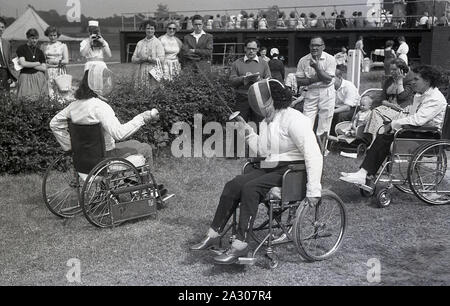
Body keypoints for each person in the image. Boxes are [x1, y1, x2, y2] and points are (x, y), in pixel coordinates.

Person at [189, 79, 323, 265]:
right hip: (272, 166)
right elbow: (262, 150)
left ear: (272, 100)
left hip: (293, 170)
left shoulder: (295, 119)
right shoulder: (268, 120)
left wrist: (313, 190)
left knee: (251, 188)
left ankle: (240, 244)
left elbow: (313, 154)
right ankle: (214, 233)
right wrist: (247, 131)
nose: (259, 108)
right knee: (234, 184)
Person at [340, 65, 447, 185]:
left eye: (416, 79)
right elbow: (412, 117)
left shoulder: (436, 99)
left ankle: (364, 173)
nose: (413, 82)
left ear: (427, 81)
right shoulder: (421, 95)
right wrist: (394, 124)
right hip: (418, 132)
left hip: (427, 137)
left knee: (385, 137)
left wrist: (393, 124)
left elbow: (418, 120)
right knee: (383, 135)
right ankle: (365, 173)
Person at [50, 64, 158, 165]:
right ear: (97, 84)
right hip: (105, 157)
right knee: (145, 148)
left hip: (84, 156)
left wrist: (70, 147)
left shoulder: (73, 106)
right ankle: (147, 184)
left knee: (134, 142)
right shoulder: (100, 107)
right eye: (104, 81)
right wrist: (143, 117)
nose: (107, 84)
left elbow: (54, 124)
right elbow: (119, 134)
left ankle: (126, 183)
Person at [296, 36, 336, 140]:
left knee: (324, 122)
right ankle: (307, 149)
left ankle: (321, 150)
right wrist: (317, 78)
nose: (314, 48)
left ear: (323, 47)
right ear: (309, 46)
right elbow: (299, 81)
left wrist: (317, 68)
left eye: (317, 45)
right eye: (312, 45)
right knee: (306, 122)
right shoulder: (303, 60)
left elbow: (328, 80)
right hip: (311, 91)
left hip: (326, 91)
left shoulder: (330, 59)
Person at [364, 58, 414, 139]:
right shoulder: (389, 80)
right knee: (374, 113)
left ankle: (375, 140)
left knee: (375, 113)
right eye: (391, 70)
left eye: (394, 69)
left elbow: (402, 96)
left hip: (402, 110)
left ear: (402, 69)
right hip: (389, 108)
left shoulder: (409, 81)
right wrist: (391, 105)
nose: (391, 72)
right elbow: (382, 99)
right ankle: (375, 139)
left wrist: (400, 80)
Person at [229, 39, 271, 123]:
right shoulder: (237, 63)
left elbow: (269, 81)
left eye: (254, 49)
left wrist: (259, 80)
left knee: (260, 126)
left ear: (258, 49)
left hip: (258, 99)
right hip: (242, 98)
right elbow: (231, 81)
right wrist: (243, 79)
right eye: (249, 48)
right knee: (239, 126)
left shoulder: (264, 63)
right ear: (245, 49)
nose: (251, 51)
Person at [132, 20, 165, 91]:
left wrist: (149, 59)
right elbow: (133, 59)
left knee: (155, 91)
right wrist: (140, 59)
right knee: (143, 91)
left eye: (152, 28)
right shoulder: (140, 43)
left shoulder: (158, 43)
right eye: (148, 28)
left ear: (154, 30)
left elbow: (161, 59)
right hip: (142, 71)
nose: (150, 30)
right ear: (145, 29)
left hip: (154, 70)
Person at [16, 28, 48, 100]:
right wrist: (37, 63)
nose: (34, 40)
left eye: (36, 38)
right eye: (32, 38)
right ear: (28, 38)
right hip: (25, 77)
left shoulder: (39, 51)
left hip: (39, 77)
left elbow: (43, 68)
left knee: (39, 99)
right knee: (25, 99)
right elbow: (23, 63)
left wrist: (29, 64)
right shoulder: (22, 48)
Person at [330, 69, 360, 135]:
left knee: (341, 116)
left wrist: (332, 111)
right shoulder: (329, 87)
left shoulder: (348, 86)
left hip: (353, 108)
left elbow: (347, 107)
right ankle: (326, 135)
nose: (329, 80)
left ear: (339, 77)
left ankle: (340, 136)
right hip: (337, 106)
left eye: (332, 78)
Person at [42, 26, 69, 99]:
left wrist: (54, 61)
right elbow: (42, 60)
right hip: (49, 71)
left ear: (57, 35)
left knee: (61, 89)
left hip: (59, 70)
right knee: (50, 90)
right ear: (48, 35)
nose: (53, 37)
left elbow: (66, 60)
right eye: (51, 35)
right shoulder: (44, 46)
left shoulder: (62, 46)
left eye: (54, 35)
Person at [0, 17, 18, 92]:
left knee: (5, 98)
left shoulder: (6, 43)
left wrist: (13, 74)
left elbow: (9, 61)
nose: (0, 29)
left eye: (2, 27)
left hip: (5, 73)